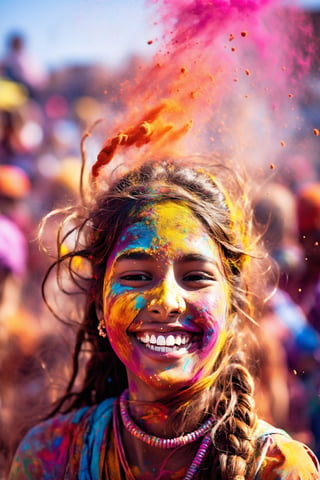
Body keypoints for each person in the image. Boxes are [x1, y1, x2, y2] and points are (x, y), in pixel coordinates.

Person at [8, 127, 320, 478]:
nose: (166, 301)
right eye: (137, 276)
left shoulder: (279, 469)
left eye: (195, 277)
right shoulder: (49, 458)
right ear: (98, 302)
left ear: (231, 304)